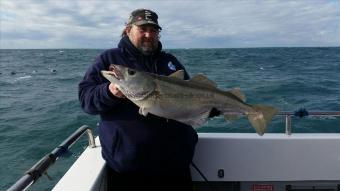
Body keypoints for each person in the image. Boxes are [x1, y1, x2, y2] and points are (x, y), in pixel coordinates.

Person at [79, 9, 198, 190]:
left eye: (153, 30)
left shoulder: (169, 61)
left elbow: (192, 95)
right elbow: (86, 99)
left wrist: (210, 108)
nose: (149, 35)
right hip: (130, 168)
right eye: (143, 29)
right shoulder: (109, 59)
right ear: (128, 30)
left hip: (175, 164)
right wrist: (108, 92)